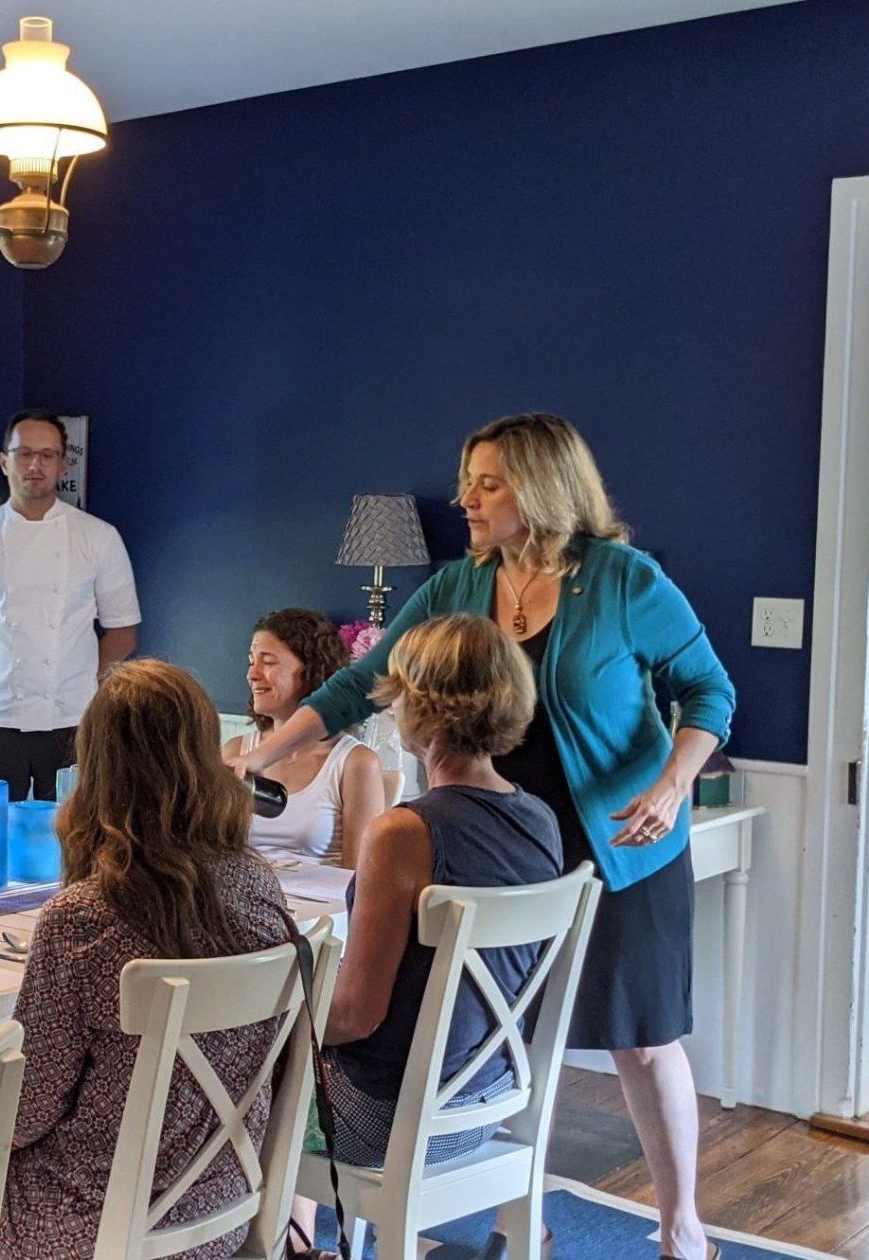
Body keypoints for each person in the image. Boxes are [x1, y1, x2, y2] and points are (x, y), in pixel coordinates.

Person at [237, 413, 733, 1260]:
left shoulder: (623, 581)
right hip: (499, 837)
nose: (465, 496)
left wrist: (672, 782)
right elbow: (365, 682)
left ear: (541, 488)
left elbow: (708, 693)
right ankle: (520, 1206)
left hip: (623, 839)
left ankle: (681, 1226)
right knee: (493, 1040)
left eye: (488, 482)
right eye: (468, 477)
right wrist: (257, 753)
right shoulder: (458, 587)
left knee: (643, 1042)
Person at [287, 614, 563, 1259]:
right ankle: (299, 1241)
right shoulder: (539, 819)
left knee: (214, 1076)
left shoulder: (402, 833)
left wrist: (264, 1022)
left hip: (387, 1121)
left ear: (423, 707)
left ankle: (274, 1242)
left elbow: (354, 1017)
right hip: (487, 1100)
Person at [0, 660, 288, 1260]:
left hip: (87, 1221)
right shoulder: (261, 891)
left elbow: (21, 1116)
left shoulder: (80, 919)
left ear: (96, 765)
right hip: (222, 1209)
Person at [0, 409, 141, 801]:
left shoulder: (98, 537)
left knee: (78, 831)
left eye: (47, 455)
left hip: (73, 717)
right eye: (24, 453)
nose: (35, 465)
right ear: (4, 461)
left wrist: (77, 680)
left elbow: (123, 632)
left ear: (63, 464)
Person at [222, 609, 385, 868]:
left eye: (269, 662)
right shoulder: (235, 751)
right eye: (251, 661)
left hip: (322, 907)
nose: (252, 674)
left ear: (312, 671)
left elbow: (360, 875)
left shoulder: (355, 763)